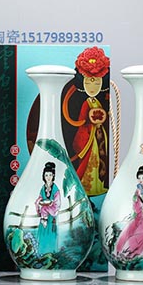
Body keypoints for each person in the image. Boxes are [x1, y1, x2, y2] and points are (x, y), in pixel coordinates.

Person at [63, 46, 110, 196]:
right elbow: (81, 121)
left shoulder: (99, 101)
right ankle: (87, 187)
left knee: (102, 158)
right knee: (90, 161)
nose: (92, 87)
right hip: (90, 136)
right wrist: (90, 123)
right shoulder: (86, 103)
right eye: (89, 83)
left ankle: (100, 185)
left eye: (96, 83)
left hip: (100, 134)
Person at [115, 165, 143, 258]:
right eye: (139, 178)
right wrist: (136, 200)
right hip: (139, 213)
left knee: (141, 232)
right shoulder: (139, 188)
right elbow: (135, 200)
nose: (141, 180)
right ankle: (122, 250)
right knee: (130, 229)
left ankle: (131, 250)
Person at [35, 162, 61, 255]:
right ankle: (42, 253)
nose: (48, 177)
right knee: (43, 232)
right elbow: (39, 198)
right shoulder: (43, 188)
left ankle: (52, 252)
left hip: (51, 215)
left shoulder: (55, 188)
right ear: (44, 176)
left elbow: (57, 203)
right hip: (44, 216)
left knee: (51, 233)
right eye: (46, 175)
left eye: (50, 175)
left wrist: (50, 204)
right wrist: (39, 202)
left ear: (53, 175)